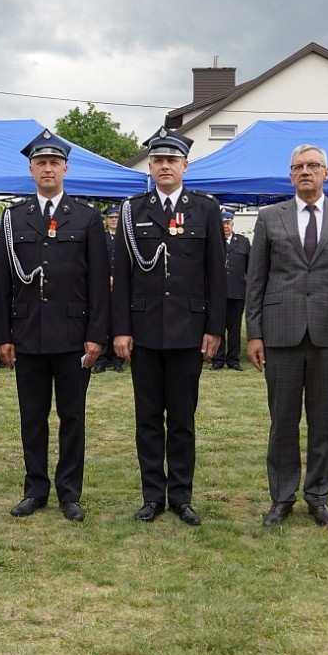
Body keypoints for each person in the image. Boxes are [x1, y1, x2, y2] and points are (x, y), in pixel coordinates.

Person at [246, 144, 328, 528]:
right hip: (280, 332)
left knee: (323, 423)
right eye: (298, 166)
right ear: (290, 174)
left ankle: (318, 497)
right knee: (282, 422)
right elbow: (257, 280)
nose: (305, 172)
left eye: (313, 165)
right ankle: (282, 498)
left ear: (326, 173)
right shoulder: (269, 218)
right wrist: (254, 333)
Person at [0, 129, 109, 522]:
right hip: (27, 334)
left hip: (74, 336)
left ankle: (69, 493)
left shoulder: (87, 216)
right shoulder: (12, 219)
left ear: (66, 168)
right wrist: (2, 336)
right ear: (31, 169)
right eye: (41, 163)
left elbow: (99, 281)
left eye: (54, 162)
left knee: (72, 417)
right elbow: (1, 282)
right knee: (33, 416)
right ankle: (35, 489)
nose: (48, 168)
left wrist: (97, 334)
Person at [113, 129, 224, 527]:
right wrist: (121, 328)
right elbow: (121, 276)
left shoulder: (206, 210)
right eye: (158, 160)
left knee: (181, 418)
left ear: (184, 166)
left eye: (171, 160)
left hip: (188, 329)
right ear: (150, 165)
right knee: (147, 419)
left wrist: (215, 327)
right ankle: (151, 497)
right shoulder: (131, 210)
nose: (164, 166)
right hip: (143, 330)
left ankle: (181, 496)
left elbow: (216, 274)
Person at [215, 210, 250, 371]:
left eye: (228, 223)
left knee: (235, 328)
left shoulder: (243, 242)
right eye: (222, 224)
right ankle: (218, 359)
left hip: (237, 291)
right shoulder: (213, 241)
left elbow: (249, 268)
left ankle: (233, 360)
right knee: (218, 326)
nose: (225, 227)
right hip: (218, 292)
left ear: (232, 224)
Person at [93, 204, 125, 374]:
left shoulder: (126, 238)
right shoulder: (101, 238)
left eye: (117, 217)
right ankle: (102, 358)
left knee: (118, 322)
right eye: (111, 217)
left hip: (121, 287)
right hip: (103, 286)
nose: (114, 220)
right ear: (106, 221)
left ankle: (117, 359)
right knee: (102, 322)